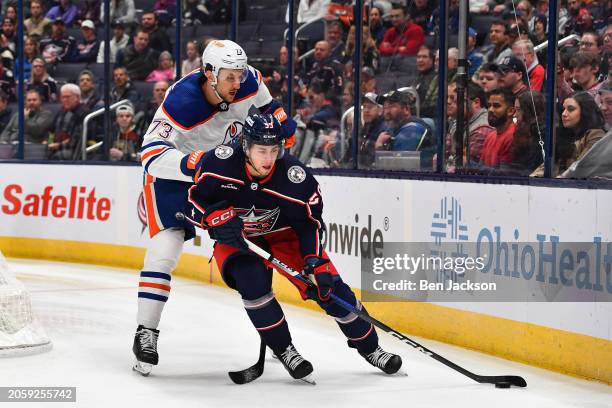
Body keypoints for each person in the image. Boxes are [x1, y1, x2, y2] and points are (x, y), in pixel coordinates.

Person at [183, 113, 402, 381]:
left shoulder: (295, 177)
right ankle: (286, 350)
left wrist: (314, 260)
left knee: (331, 290)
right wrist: (211, 219)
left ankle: (371, 348)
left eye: (274, 150)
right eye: (261, 150)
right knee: (253, 286)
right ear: (245, 146)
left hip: (286, 236)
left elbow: (309, 225)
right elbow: (192, 201)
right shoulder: (218, 163)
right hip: (238, 238)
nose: (268, 159)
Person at [132, 39, 297, 375]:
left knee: (246, 251)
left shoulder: (249, 79)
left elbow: (269, 111)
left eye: (240, 75)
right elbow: (149, 155)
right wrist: (197, 164)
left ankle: (281, 342)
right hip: (176, 176)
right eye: (229, 77)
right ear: (209, 74)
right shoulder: (182, 101)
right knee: (165, 249)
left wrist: (281, 125)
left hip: (221, 174)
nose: (238, 83)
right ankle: (145, 332)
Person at [559, 92, 606, 176]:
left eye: (571, 109)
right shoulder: (564, 135)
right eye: (563, 109)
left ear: (585, 111)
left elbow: (580, 168)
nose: (564, 114)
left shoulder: (596, 135)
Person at [47, 84, 87, 160]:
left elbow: (77, 139)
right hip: (57, 146)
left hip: (75, 150)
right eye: (63, 97)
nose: (65, 100)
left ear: (77, 98)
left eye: (68, 97)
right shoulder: (61, 112)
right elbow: (51, 131)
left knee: (55, 156)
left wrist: (59, 145)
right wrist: (48, 142)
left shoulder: (83, 113)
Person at [479, 88, 517, 168]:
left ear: (510, 111)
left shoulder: (513, 137)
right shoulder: (490, 135)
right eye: (489, 105)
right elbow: (480, 167)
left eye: (496, 106)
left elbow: (503, 175)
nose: (490, 110)